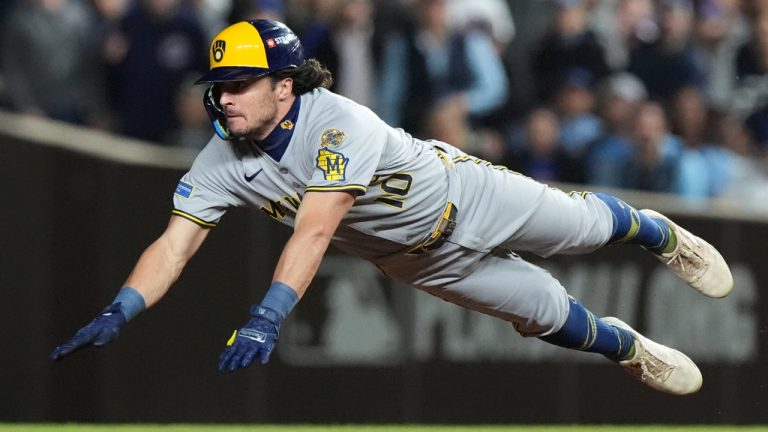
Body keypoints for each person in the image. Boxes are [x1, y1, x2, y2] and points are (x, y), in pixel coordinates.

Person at [51, 19, 734, 396]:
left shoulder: (336, 120)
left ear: (284, 87)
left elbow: (316, 230)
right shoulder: (221, 157)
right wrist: (123, 306)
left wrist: (267, 317)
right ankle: (631, 349)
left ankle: (661, 234)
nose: (223, 97)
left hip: (464, 195)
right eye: (218, 86)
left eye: (240, 83)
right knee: (547, 313)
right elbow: (174, 245)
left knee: (585, 228)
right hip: (408, 258)